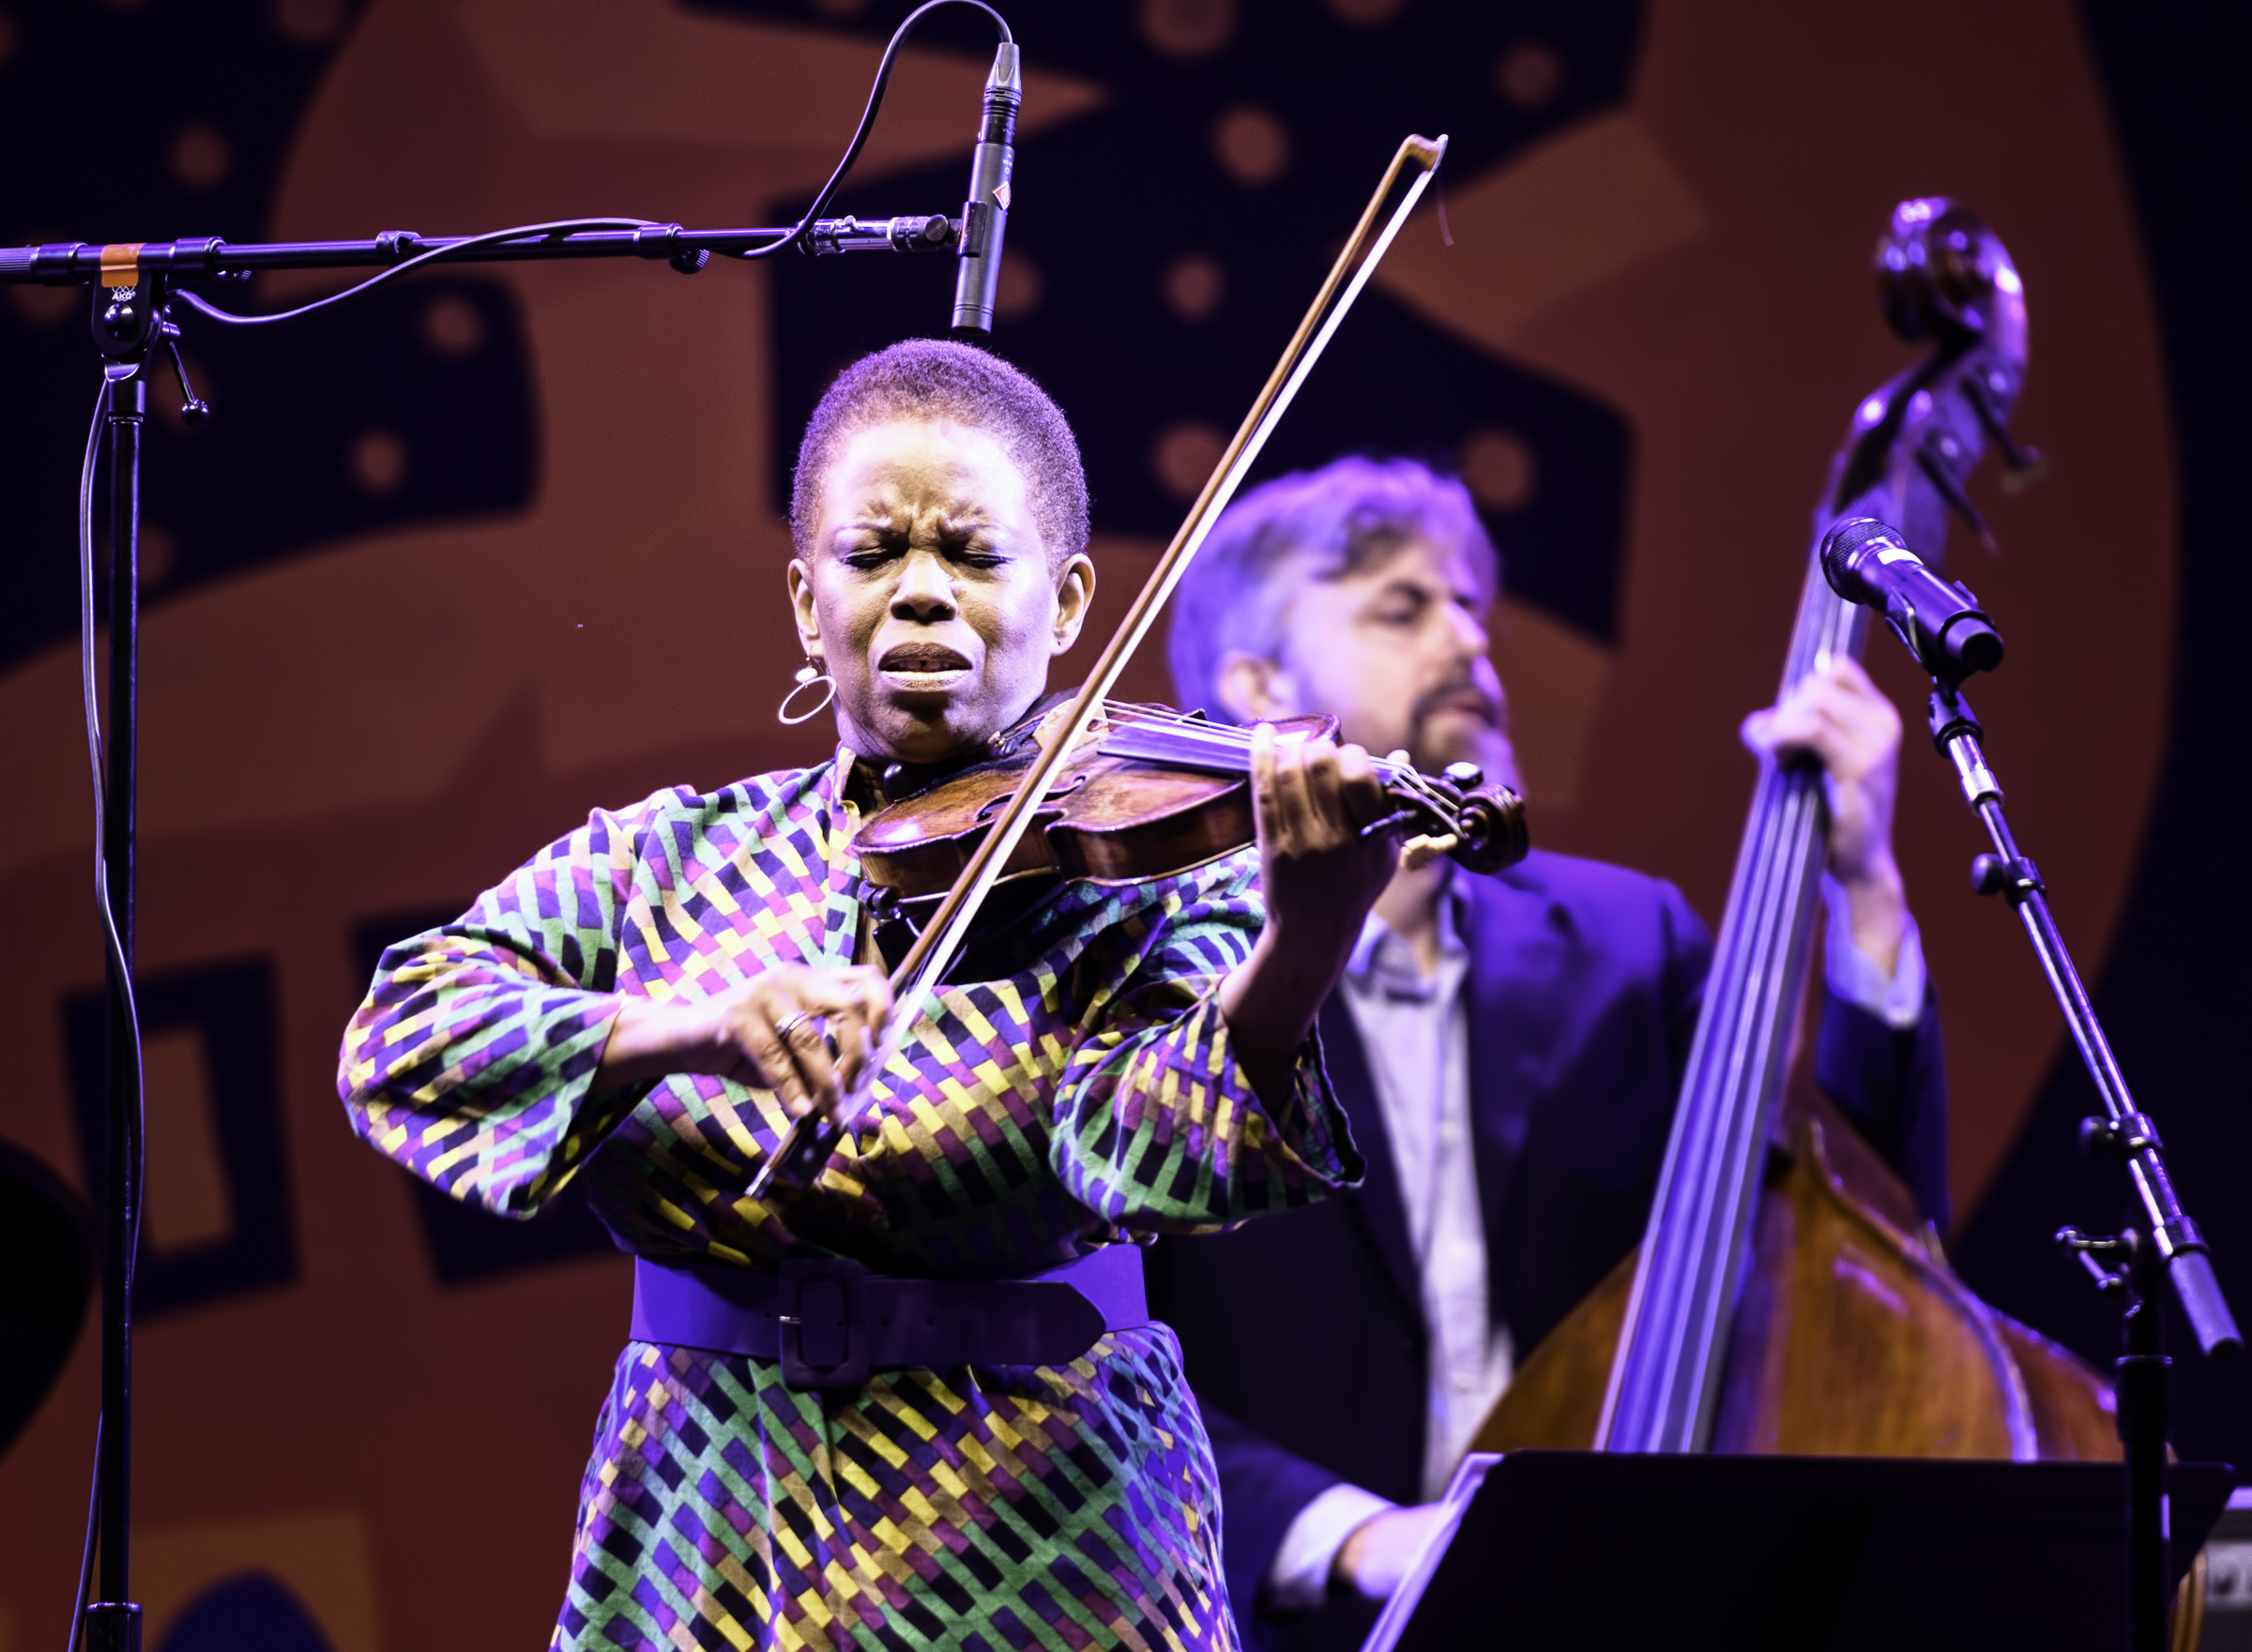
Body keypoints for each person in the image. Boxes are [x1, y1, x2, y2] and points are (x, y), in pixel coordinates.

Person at [338, 341, 1404, 1652]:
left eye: (971, 554)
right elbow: (405, 1035)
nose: (919, 597)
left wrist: (1308, 935)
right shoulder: (671, 857)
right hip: (707, 1530)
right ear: (804, 601)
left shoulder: (1154, 877)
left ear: (1069, 602)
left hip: (1051, 1540)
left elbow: (1145, 1150)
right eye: (871, 555)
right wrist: (687, 1026)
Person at [1148, 458, 1950, 1652]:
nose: (1468, 637)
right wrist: (1355, 1536)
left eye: (1472, 603)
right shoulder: (1157, 983)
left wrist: (1866, 887)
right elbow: (1095, 1364)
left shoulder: (1636, 943)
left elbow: (1853, 1248)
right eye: (1403, 607)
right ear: (1257, 683)